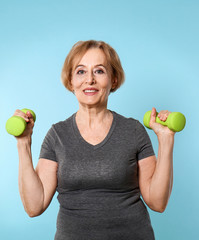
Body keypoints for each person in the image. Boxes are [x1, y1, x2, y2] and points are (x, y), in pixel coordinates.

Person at [13, 40, 175, 240]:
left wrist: (166, 140)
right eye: (81, 71)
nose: (89, 80)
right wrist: (23, 142)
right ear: (71, 81)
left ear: (113, 80)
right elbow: (34, 206)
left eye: (99, 71)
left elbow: (158, 202)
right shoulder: (57, 135)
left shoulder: (133, 131)